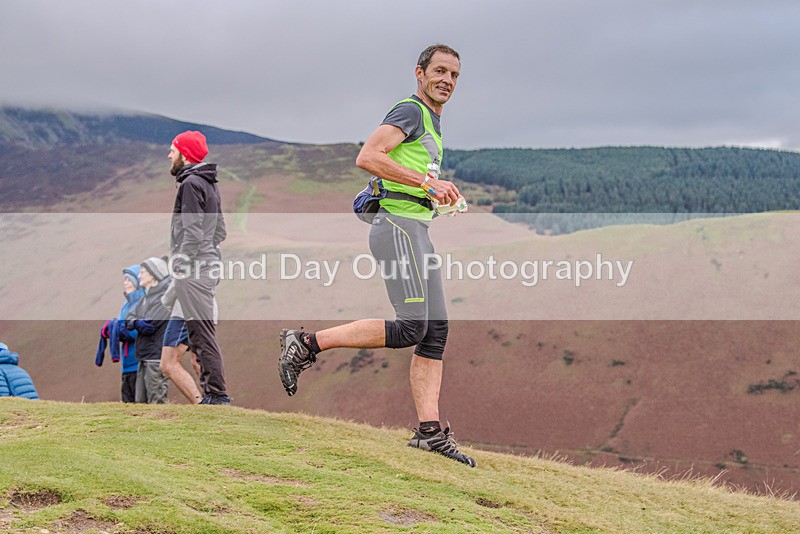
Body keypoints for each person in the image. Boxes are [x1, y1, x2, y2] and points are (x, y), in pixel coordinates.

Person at [278, 44, 475, 467]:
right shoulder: (411, 110)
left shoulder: (432, 123)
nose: (447, 80)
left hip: (415, 229)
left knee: (435, 330)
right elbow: (368, 157)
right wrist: (426, 184)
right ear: (420, 73)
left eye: (455, 75)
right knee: (410, 328)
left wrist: (440, 195)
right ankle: (306, 343)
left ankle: (429, 434)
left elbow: (408, 175)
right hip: (398, 229)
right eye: (440, 71)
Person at [168, 130, 230, 404]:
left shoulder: (191, 183)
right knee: (199, 334)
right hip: (206, 266)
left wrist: (180, 266)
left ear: (185, 154)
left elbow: (192, 233)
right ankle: (212, 396)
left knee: (202, 335)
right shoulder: (208, 182)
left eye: (173, 149)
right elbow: (220, 231)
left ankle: (217, 396)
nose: (169, 154)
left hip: (194, 270)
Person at [95, 265, 146, 402]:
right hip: (126, 364)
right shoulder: (126, 304)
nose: (126, 283)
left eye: (129, 280)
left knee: (140, 402)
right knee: (127, 403)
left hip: (138, 362)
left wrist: (120, 330)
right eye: (124, 280)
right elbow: (121, 325)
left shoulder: (143, 302)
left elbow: (139, 331)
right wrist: (110, 330)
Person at [126, 257, 171, 404]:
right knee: (140, 404)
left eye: (143, 272)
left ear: (153, 274)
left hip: (156, 357)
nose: (139, 276)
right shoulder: (145, 299)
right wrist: (137, 322)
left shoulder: (163, 298)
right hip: (143, 356)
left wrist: (136, 322)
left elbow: (151, 324)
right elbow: (129, 318)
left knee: (157, 402)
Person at [159, 281, 203, 404]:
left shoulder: (182, 262)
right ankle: (214, 403)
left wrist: (166, 301)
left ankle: (201, 404)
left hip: (184, 311)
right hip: (203, 309)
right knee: (198, 361)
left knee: (168, 363)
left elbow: (178, 283)